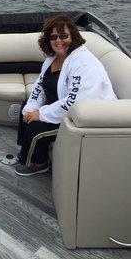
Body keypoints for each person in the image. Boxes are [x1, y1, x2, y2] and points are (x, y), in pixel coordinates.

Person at [15, 14, 117, 177]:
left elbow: (75, 102)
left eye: (63, 36)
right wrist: (32, 109)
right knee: (26, 106)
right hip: (63, 106)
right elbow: (39, 86)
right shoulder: (53, 57)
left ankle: (39, 164)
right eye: (53, 36)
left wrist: (40, 114)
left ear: (74, 37)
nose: (58, 41)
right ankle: (26, 152)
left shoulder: (83, 62)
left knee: (36, 127)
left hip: (84, 117)